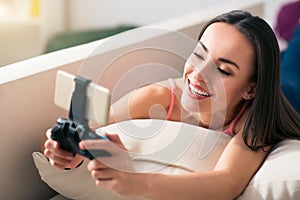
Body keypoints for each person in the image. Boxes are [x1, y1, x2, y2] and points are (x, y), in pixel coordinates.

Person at [43, 10, 300, 199]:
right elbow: (96, 128)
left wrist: (138, 183)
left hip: (291, 92)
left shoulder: (253, 120)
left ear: (250, 89)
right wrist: (69, 152)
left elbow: (226, 184)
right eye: (198, 54)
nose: (198, 74)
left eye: (222, 70)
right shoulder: (156, 98)